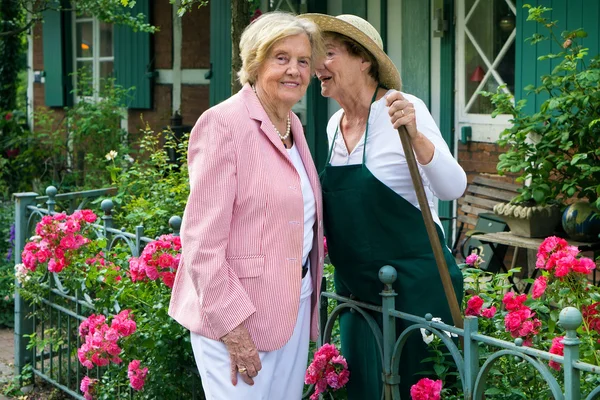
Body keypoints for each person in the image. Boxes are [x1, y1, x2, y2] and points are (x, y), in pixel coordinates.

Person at [300, 13, 467, 399]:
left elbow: (453, 186)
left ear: (364, 60)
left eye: (327, 54)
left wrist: (416, 135)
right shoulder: (332, 125)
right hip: (357, 297)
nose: (316, 67)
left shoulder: (404, 108)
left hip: (415, 294)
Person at [168, 12, 325, 400]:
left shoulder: (293, 125)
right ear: (255, 63)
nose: (294, 70)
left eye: (303, 61)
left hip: (292, 305)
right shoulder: (223, 124)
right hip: (237, 317)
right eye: (281, 58)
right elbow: (201, 243)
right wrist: (232, 327)